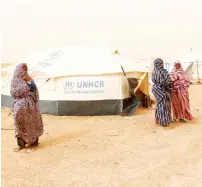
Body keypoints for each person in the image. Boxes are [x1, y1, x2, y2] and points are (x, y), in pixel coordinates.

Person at [10, 63, 44, 152]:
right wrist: (27, 87)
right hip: (20, 106)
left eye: (25, 71)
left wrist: (29, 82)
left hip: (31, 106)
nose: (24, 74)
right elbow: (14, 92)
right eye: (22, 72)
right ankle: (20, 144)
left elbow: (34, 89)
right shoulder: (15, 81)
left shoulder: (29, 79)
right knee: (20, 124)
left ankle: (33, 142)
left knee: (33, 122)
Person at [152, 58, 172, 128]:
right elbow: (168, 81)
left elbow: (153, 80)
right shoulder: (164, 71)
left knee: (159, 105)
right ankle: (164, 123)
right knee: (165, 107)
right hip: (163, 91)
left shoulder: (154, 71)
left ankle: (157, 120)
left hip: (156, 90)